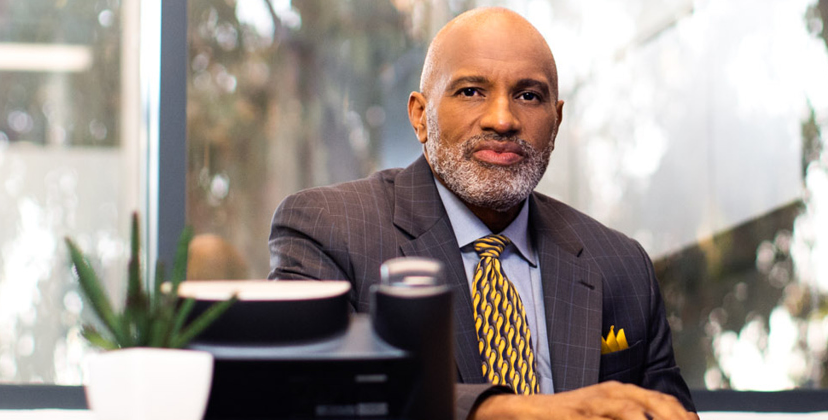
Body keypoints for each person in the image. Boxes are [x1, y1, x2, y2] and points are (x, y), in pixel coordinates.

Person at [267, 7, 697, 420]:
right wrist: (508, 411)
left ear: (557, 119)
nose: (502, 119)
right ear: (420, 116)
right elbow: (308, 389)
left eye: (528, 96)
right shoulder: (328, 228)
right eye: (471, 91)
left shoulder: (621, 265)